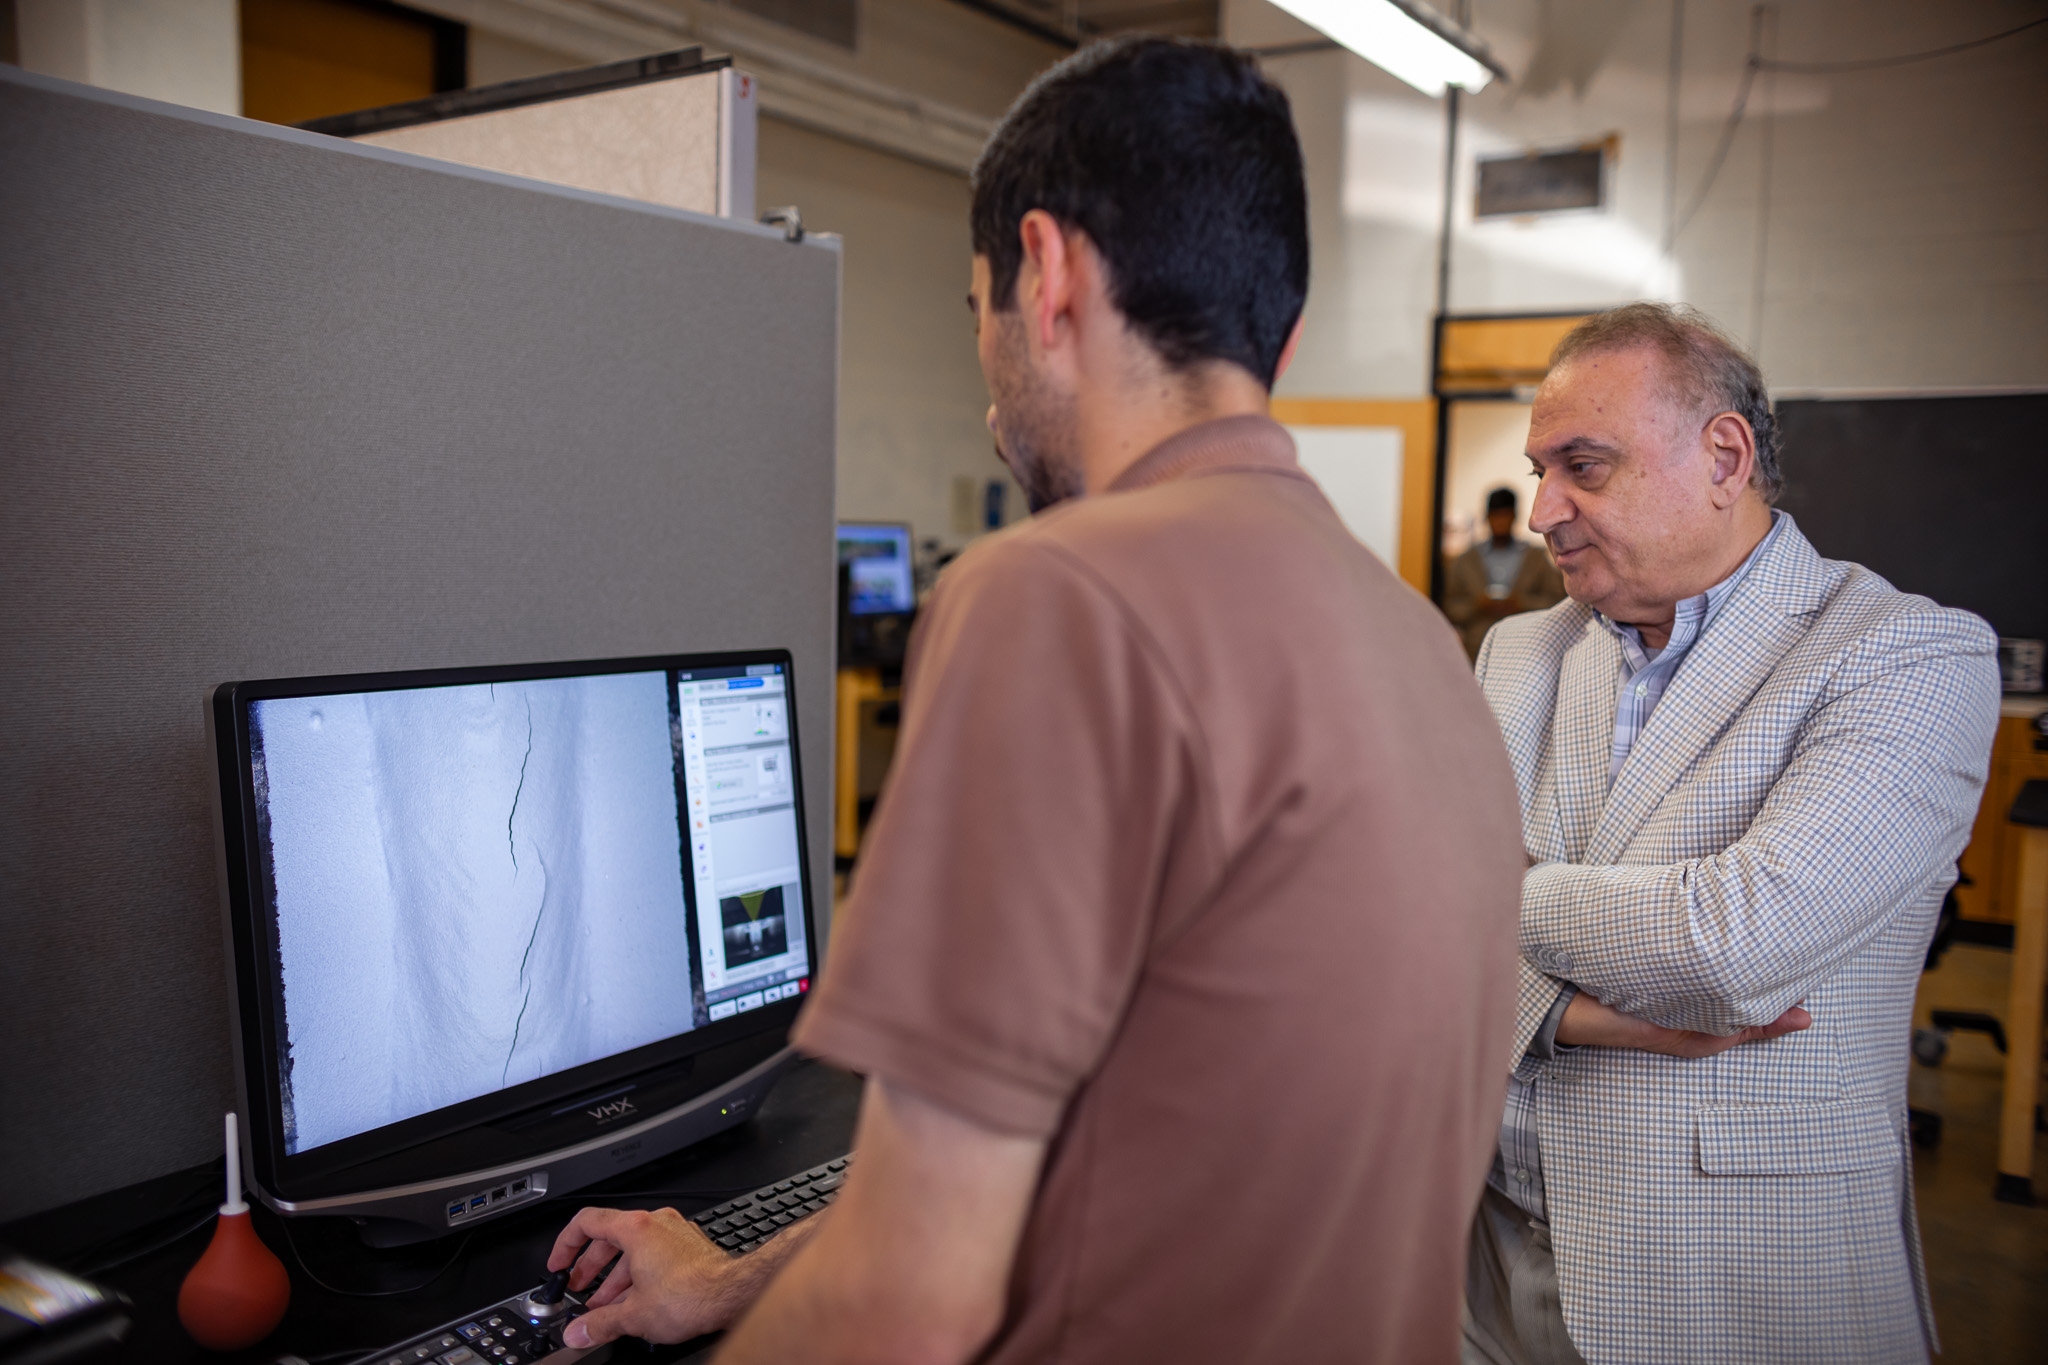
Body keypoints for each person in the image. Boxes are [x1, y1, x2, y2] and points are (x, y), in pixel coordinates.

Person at [544, 36, 1526, 1365]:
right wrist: (740, 1277)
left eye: (977, 313)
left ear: (1047, 274)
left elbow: (909, 1298)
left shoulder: (1050, 594)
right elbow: (1083, 1159)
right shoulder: (1425, 651)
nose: (990, 386)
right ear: (1279, 331)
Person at [1463, 302, 2000, 1365]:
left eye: (1582, 465)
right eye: (1538, 471)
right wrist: (1571, 1017)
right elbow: (1393, 944)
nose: (1542, 511)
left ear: (1722, 455)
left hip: (1728, 1286)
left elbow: (1731, 944)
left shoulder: (1904, 658)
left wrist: (1468, 892)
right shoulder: (1517, 654)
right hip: (1485, 1268)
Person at [1443, 487, 1567, 661]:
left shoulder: (1535, 558)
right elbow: (1449, 607)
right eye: (1496, 516)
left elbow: (1557, 602)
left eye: (1505, 516)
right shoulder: (1466, 560)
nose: (1500, 522)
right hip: (1476, 649)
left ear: (1514, 517)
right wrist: (1478, 605)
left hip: (1526, 648)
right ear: (1487, 517)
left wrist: (1520, 603)